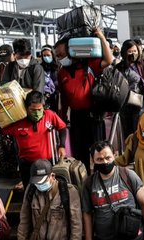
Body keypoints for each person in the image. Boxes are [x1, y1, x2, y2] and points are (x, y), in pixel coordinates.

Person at [54, 28, 113, 171]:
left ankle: (102, 178)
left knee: (99, 152)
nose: (60, 58)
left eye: (62, 54)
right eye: (58, 56)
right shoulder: (62, 72)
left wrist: (101, 37)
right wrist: (62, 120)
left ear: (72, 50)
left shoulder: (90, 65)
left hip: (94, 115)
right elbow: (64, 99)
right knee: (80, 154)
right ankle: (85, 182)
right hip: (76, 117)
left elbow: (109, 60)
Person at [2, 90, 67, 189]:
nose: (36, 113)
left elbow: (62, 128)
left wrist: (62, 146)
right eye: (33, 110)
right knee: (29, 192)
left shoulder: (50, 115)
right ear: (26, 108)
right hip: (27, 165)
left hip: (47, 163)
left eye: (39, 109)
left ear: (43, 107)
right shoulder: (18, 122)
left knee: (49, 190)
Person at [115, 40, 144, 138]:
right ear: (124, 52)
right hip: (125, 104)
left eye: (135, 51)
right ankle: (130, 151)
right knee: (128, 133)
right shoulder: (119, 67)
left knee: (141, 130)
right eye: (130, 52)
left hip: (141, 103)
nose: (133, 54)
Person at [39, 44, 58, 112]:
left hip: (56, 97)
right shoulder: (39, 67)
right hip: (44, 97)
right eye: (44, 55)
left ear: (52, 55)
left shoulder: (58, 67)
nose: (46, 57)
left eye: (48, 55)